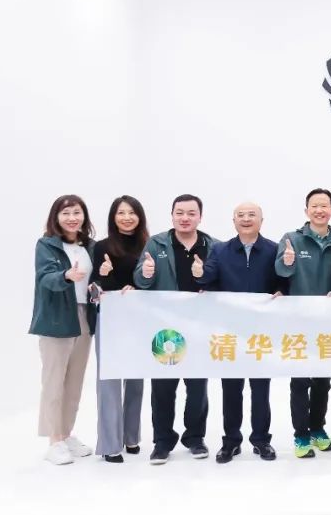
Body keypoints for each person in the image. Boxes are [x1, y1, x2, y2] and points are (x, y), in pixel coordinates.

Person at [194, 202, 281, 463]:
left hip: (261, 333)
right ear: (233, 221)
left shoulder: (273, 249)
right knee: (231, 390)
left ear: (262, 220)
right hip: (230, 333)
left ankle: (261, 440)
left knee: (261, 390)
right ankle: (231, 441)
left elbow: (282, 281)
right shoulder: (220, 250)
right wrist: (199, 273)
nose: (246, 219)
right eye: (240, 215)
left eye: (251, 215)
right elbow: (208, 277)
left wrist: (281, 290)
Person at [133, 194, 217, 465]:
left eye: (191, 213)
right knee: (163, 387)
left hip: (199, 327)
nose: (185, 218)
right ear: (172, 215)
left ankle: (195, 438)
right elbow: (140, 281)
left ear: (200, 217)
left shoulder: (213, 245)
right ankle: (162, 441)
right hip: (165, 327)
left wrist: (207, 281)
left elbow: (222, 283)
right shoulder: (156, 243)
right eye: (179, 212)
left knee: (197, 387)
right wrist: (146, 273)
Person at [275, 188, 331, 458]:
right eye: (314, 206)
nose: (319, 210)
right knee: (300, 381)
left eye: (324, 206)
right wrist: (287, 262)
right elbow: (280, 271)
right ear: (306, 210)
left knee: (323, 380)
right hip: (298, 321)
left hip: (329, 322)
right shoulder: (292, 239)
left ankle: (318, 429)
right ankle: (301, 436)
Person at [30, 195, 97, 465]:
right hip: (57, 318)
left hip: (84, 316)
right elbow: (45, 277)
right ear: (56, 217)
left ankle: (67, 434)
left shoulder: (90, 246)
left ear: (84, 216)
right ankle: (54, 440)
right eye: (66, 213)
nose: (72, 218)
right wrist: (65, 276)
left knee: (75, 381)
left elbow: (96, 279)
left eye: (77, 212)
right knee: (54, 381)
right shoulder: (47, 245)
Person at [91, 195, 149, 463]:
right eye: (121, 213)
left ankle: (131, 437)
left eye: (132, 212)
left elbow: (155, 282)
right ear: (113, 218)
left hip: (140, 319)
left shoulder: (150, 245)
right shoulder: (101, 246)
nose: (127, 218)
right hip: (111, 319)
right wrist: (103, 275)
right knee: (109, 381)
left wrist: (138, 286)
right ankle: (110, 443)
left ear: (140, 217)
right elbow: (93, 289)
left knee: (136, 379)